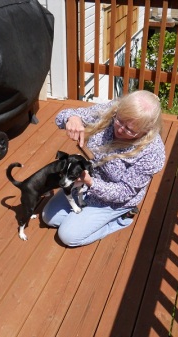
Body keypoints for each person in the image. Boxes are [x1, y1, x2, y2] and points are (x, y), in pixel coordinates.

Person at [42, 90, 166, 247]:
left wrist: (90, 182)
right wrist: (72, 119)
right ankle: (83, 215)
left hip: (114, 199)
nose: (120, 129)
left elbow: (124, 192)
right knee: (49, 217)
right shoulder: (113, 109)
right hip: (86, 179)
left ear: (145, 130)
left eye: (130, 130)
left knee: (68, 235)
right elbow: (65, 115)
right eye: (119, 121)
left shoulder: (153, 153)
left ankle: (121, 218)